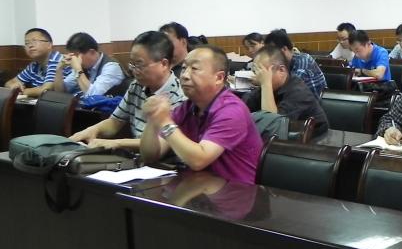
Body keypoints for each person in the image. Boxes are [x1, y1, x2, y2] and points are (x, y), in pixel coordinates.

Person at [140, 45, 264, 184]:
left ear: (219, 78)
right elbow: (150, 156)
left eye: (194, 69)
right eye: (184, 68)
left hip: (236, 191)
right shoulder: (187, 107)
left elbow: (198, 161)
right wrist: (153, 119)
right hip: (200, 187)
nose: (185, 75)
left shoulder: (232, 111)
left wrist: (164, 122)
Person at [70, 31, 186, 151]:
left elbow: (160, 144)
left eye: (139, 65)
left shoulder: (180, 97)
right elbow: (115, 122)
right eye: (132, 64)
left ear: (164, 64)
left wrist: (117, 143)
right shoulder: (137, 85)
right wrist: (91, 130)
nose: (134, 71)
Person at [245, 46, 329, 140]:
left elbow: (272, 124)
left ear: (281, 70)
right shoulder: (270, 87)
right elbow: (244, 109)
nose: (258, 77)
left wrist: (266, 84)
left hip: (312, 143)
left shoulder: (298, 92)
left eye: (263, 73)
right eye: (256, 71)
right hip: (281, 140)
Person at [56, 32, 126, 98]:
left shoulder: (111, 67)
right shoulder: (84, 67)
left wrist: (78, 69)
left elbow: (92, 95)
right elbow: (61, 92)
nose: (74, 60)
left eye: (76, 56)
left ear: (92, 52)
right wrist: (58, 69)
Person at [263, 28, 327, 96]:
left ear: (284, 49)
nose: (271, 56)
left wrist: (265, 82)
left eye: (272, 52)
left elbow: (291, 87)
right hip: (295, 98)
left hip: (312, 100)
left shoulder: (303, 60)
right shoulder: (284, 62)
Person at [5, 28, 63, 98]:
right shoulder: (34, 65)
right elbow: (10, 82)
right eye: (27, 43)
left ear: (49, 45)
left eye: (34, 41)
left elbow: (46, 90)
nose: (30, 45)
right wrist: (12, 85)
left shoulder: (57, 60)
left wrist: (19, 91)